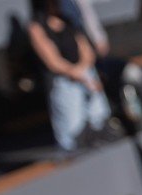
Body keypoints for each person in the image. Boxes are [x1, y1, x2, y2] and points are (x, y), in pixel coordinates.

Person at [27, 0, 112, 151]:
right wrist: (76, 74)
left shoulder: (68, 20)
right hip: (63, 83)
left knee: (98, 119)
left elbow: (85, 49)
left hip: (85, 74)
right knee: (72, 132)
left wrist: (84, 72)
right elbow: (53, 61)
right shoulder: (37, 27)